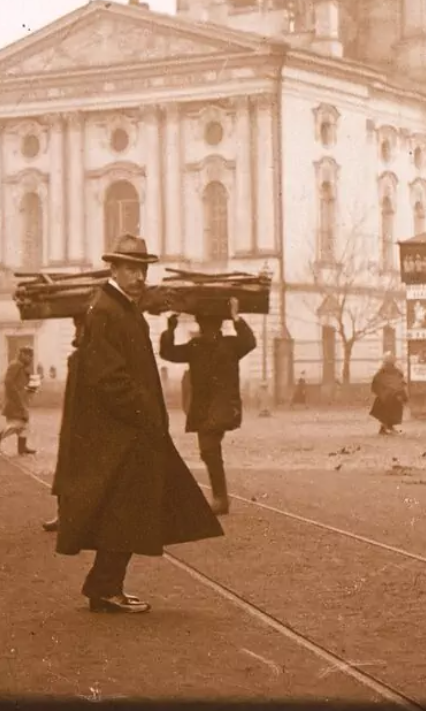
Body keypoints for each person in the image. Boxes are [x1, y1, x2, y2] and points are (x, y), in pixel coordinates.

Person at [55, 234, 223, 614]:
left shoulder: (122, 308)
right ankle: (103, 587)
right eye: (130, 267)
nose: (138, 275)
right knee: (124, 511)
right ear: (113, 268)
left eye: (142, 268)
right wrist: (144, 412)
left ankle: (103, 586)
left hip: (131, 430)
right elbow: (108, 378)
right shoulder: (106, 311)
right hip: (123, 432)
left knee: (127, 511)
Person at [160, 298, 257, 515]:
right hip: (210, 409)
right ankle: (220, 498)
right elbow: (168, 353)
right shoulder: (215, 345)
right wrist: (170, 328)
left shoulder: (218, 345)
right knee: (209, 451)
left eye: (206, 324)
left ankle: (221, 499)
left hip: (218, 408)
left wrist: (171, 328)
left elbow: (168, 353)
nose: (206, 328)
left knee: (209, 450)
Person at [43, 314, 87, 533]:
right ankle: (64, 514)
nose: (76, 335)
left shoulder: (94, 358)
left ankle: (76, 517)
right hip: (74, 422)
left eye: (80, 329)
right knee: (67, 469)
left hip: (89, 423)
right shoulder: (76, 358)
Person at [0, 345, 37, 455]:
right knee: (17, 424)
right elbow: (8, 382)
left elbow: (27, 384)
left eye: (31, 356)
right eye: (28, 356)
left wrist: (32, 386)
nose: (30, 358)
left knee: (25, 425)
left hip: (22, 400)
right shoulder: (15, 365)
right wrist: (16, 397)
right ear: (22, 354)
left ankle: (22, 448)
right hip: (15, 401)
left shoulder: (23, 367)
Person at [370, 352, 408, 435]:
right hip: (385, 399)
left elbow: (400, 384)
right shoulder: (382, 373)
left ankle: (386, 428)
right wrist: (382, 393)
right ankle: (386, 428)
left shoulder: (396, 372)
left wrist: (401, 395)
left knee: (389, 413)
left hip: (392, 398)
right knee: (386, 413)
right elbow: (376, 385)